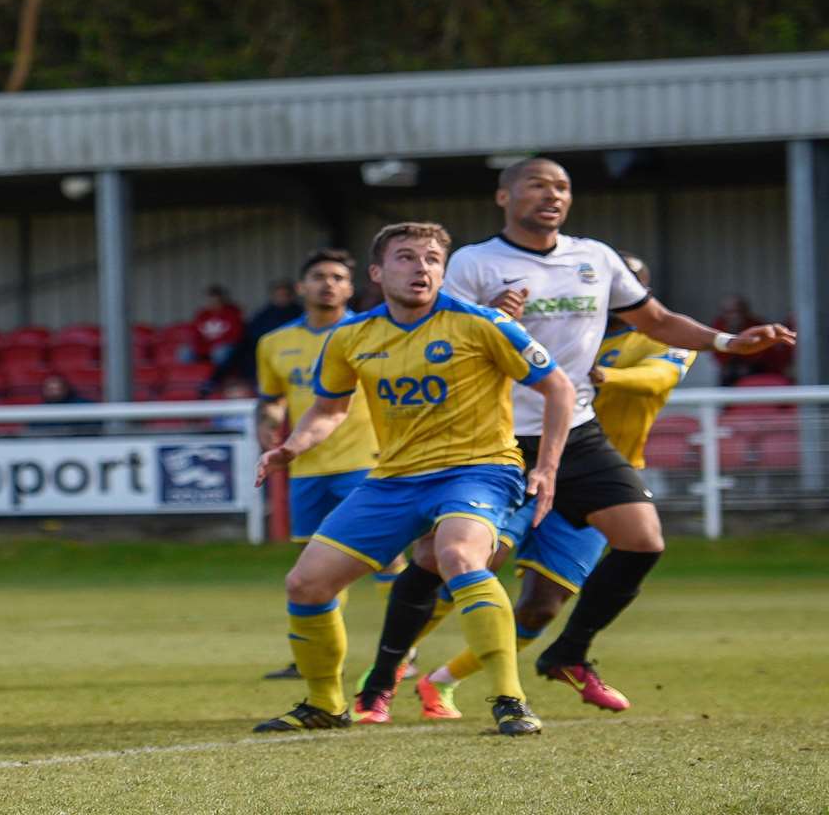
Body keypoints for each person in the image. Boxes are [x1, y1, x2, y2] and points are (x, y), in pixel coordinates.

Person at [354, 159, 794, 718]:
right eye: (537, 185)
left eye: (561, 186)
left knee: (642, 539)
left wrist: (730, 341)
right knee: (441, 560)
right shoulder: (474, 263)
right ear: (504, 196)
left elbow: (656, 320)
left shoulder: (595, 257)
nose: (552, 195)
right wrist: (489, 318)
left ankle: (569, 652)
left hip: (575, 429)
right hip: (496, 436)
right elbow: (430, 330)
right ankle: (383, 680)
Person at [252, 221, 574, 738]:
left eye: (430, 259)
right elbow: (329, 409)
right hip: (395, 478)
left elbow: (558, 386)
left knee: (458, 556)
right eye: (406, 257)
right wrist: (292, 445)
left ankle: (510, 699)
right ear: (377, 273)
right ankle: (325, 704)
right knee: (306, 583)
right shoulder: (351, 336)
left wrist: (548, 466)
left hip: (478, 469)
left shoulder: (483, 323)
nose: (420, 268)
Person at [416, 250, 696, 719]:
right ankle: (383, 674)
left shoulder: (659, 341)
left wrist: (606, 376)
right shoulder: (550, 336)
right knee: (474, 560)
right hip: (526, 465)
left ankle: (440, 681)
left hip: (599, 477)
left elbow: (659, 378)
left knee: (542, 607)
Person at [253, 248, 392, 683]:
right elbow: (272, 397)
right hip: (308, 469)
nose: (328, 283)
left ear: (350, 288)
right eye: (318, 276)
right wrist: (269, 424)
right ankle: (312, 657)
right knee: (311, 566)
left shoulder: (371, 333)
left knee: (386, 560)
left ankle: (404, 654)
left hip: (365, 463)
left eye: (337, 277)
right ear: (301, 287)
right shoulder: (274, 343)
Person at [711, 294, 793, 383]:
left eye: (738, 311)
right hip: (731, 370)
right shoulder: (718, 326)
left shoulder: (756, 326)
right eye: (729, 312)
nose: (734, 315)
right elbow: (717, 352)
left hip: (760, 369)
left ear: (745, 311)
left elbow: (763, 354)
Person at [187, 285, 245, 365]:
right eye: (210, 301)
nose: (213, 304)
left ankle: (218, 376)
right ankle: (193, 376)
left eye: (216, 301)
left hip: (223, 347)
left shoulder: (232, 313)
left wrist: (214, 345)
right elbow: (195, 334)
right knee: (185, 353)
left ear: (222, 300)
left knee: (219, 353)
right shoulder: (202, 315)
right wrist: (202, 347)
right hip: (205, 347)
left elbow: (235, 336)